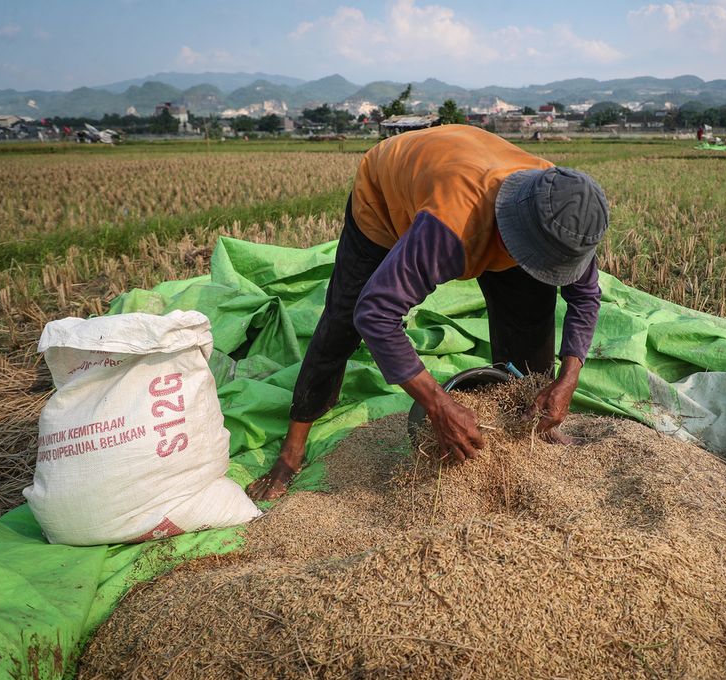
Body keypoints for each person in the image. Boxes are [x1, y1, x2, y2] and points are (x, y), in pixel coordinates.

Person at [247, 125, 609, 501]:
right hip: (388, 192)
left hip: (473, 166)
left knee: (531, 315)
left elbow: (585, 297)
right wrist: (438, 404)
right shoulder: (452, 225)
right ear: (514, 236)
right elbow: (376, 312)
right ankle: (292, 451)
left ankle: (529, 429)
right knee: (344, 315)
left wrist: (568, 380)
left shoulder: (565, 214)